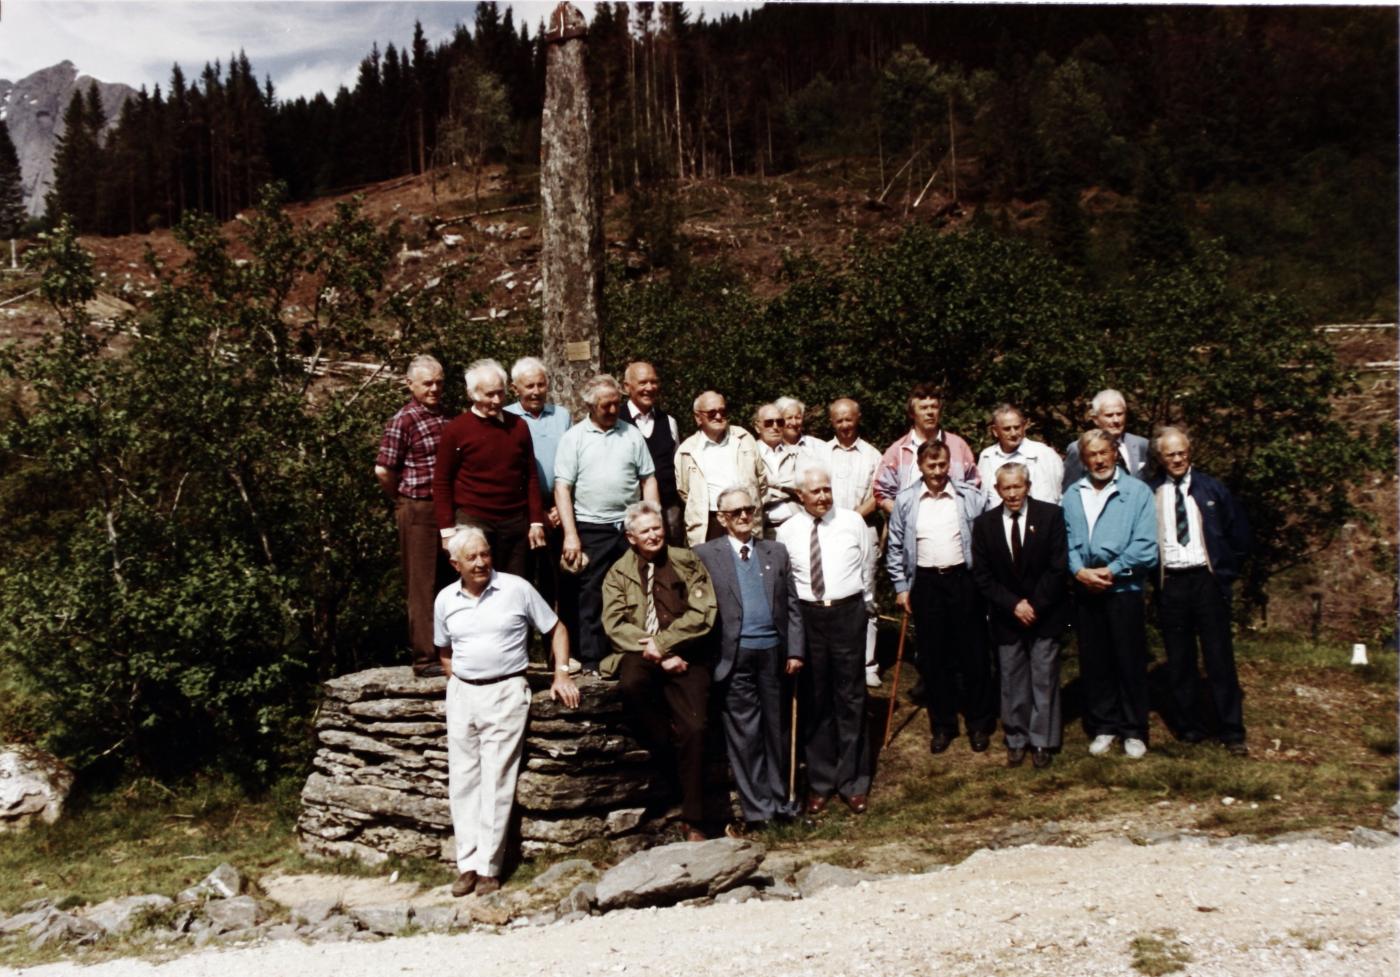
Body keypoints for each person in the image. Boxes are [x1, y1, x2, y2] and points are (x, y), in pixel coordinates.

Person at [433, 527, 579, 898]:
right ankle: (466, 864)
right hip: (463, 693)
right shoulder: (445, 599)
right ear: (456, 565)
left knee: (497, 778)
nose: (481, 562)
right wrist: (460, 684)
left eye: (485, 554)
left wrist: (561, 673)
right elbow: (444, 651)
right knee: (463, 780)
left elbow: (556, 629)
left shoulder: (516, 589)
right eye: (472, 558)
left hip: (506, 690)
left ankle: (489, 868)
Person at [601, 501, 718, 840]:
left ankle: (694, 820)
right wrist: (655, 650)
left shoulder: (686, 560)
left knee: (695, 727)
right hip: (640, 651)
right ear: (630, 537)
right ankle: (665, 746)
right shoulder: (617, 573)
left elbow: (704, 612)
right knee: (632, 683)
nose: (653, 535)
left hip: (685, 652)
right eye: (645, 531)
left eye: (657, 528)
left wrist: (666, 644)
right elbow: (615, 625)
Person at [695, 486, 805, 832]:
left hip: (773, 653)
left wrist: (795, 649)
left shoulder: (776, 551)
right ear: (722, 518)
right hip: (733, 655)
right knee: (745, 735)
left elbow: (792, 605)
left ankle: (782, 801)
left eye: (749, 509)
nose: (745, 516)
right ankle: (759, 812)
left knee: (776, 729)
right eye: (737, 512)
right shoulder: (705, 554)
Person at [777, 462, 874, 815]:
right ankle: (821, 781)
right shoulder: (787, 531)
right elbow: (786, 581)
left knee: (851, 696)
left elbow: (867, 567)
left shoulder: (852, 522)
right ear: (800, 495)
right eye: (815, 491)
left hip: (848, 612)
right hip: (808, 616)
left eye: (826, 489)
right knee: (815, 699)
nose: (822, 496)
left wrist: (866, 606)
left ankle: (853, 781)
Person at [886, 440, 994, 754]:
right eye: (931, 466)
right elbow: (894, 547)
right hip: (926, 583)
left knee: (974, 656)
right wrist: (901, 587)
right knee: (934, 659)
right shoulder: (907, 500)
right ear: (920, 467)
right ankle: (943, 725)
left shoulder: (968, 497)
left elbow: (986, 540)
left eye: (942, 465)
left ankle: (978, 723)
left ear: (950, 464)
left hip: (964, 579)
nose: (937, 472)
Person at [1149, 427, 1252, 755]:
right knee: (1180, 659)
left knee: (1219, 657)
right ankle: (1190, 727)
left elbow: (1239, 536)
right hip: (1172, 583)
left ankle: (1232, 730)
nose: (1177, 459)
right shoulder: (1152, 492)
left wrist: (1223, 572)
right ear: (1160, 457)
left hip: (1207, 581)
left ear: (1189, 452)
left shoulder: (1212, 488)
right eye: (1170, 454)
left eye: (1181, 452)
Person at [1062, 429, 1159, 758]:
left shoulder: (1137, 492)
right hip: (1086, 585)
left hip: (1124, 584)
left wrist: (1112, 571)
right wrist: (1079, 571)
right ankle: (1104, 725)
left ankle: (1134, 730)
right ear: (1084, 459)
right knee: (1095, 661)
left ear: (1115, 453)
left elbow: (1146, 547)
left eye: (1105, 452)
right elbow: (1068, 542)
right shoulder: (1073, 494)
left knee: (1129, 660)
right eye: (1092, 455)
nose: (1099, 459)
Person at [555, 374, 660, 672]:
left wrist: (652, 520)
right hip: (592, 527)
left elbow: (648, 478)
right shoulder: (574, 438)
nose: (613, 410)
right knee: (591, 594)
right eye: (606, 406)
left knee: (635, 591)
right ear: (590, 405)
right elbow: (563, 487)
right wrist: (570, 535)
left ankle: (633, 656)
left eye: (616, 404)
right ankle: (591, 660)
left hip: (629, 527)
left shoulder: (631, 434)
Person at [970, 462, 1070, 769]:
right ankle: (1015, 738)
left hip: (1044, 612)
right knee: (1011, 679)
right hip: (1006, 614)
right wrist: (1013, 605)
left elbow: (1057, 567)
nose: (1012, 493)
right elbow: (983, 576)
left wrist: (1035, 605)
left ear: (1028, 487)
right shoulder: (985, 524)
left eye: (1018, 486)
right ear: (997, 490)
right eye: (1006, 487)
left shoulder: (1050, 516)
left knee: (1043, 677)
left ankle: (1042, 741)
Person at [374, 354, 455, 677]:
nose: (434, 389)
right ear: (410, 385)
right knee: (422, 585)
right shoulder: (403, 420)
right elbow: (383, 469)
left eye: (438, 382)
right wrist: (402, 497)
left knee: (452, 580)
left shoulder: (448, 417)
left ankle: (451, 651)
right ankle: (425, 659)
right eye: (427, 383)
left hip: (448, 509)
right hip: (418, 507)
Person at [433, 359, 545, 578]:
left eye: (500, 394)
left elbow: (530, 476)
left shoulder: (518, 426)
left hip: (514, 522)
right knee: (476, 584)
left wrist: (536, 522)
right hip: (474, 520)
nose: (496, 401)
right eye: (489, 395)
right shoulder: (456, 430)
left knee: (515, 585)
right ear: (472, 394)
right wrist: (447, 532)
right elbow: (442, 482)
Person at [503, 357, 573, 614]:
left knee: (558, 581)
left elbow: (570, 461)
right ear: (515, 389)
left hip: (559, 507)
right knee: (522, 581)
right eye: (529, 386)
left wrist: (558, 507)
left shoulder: (562, 415)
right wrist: (537, 513)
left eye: (541, 385)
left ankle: (560, 650)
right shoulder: (507, 416)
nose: (535, 391)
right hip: (524, 511)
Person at [826, 397, 883, 688]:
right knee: (833, 597)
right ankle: (838, 660)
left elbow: (880, 493)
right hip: (828, 533)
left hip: (863, 531)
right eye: (839, 420)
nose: (845, 425)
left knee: (866, 598)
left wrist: (852, 519)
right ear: (832, 422)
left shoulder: (873, 455)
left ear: (857, 418)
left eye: (849, 419)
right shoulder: (821, 453)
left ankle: (868, 663)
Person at [675, 391, 766, 546]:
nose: (718, 416)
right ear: (698, 417)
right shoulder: (687, 450)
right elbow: (685, 492)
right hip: (710, 523)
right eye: (712, 413)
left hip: (745, 516)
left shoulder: (744, 439)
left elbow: (761, 481)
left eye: (722, 411)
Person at [874, 383, 980, 514]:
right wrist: (902, 516)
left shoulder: (958, 447)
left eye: (934, 407)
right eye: (923, 408)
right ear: (912, 414)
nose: (930, 412)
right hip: (912, 530)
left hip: (954, 527)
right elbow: (881, 492)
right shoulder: (897, 451)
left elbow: (974, 486)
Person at [623, 361, 684, 545]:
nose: (649, 388)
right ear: (627, 387)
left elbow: (676, 463)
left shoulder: (668, 421)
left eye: (654, 382)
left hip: (667, 510)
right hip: (629, 512)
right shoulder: (617, 421)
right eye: (643, 383)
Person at [976, 403, 1065, 506]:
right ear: (995, 431)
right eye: (1007, 429)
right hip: (997, 520)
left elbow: (1056, 494)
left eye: (1017, 427)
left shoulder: (1044, 454)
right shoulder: (987, 456)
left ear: (1024, 426)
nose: (1013, 433)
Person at [1062, 388, 1152, 488]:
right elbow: (1070, 488)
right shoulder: (1079, 448)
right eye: (1109, 415)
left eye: (1120, 414)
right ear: (1096, 419)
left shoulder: (1142, 444)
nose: (1116, 420)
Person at [754, 402, 801, 538]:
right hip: (763, 528)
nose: (775, 427)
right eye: (769, 423)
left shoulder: (797, 453)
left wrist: (770, 486)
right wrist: (786, 490)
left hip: (794, 525)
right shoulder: (749, 454)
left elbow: (801, 488)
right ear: (758, 427)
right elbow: (752, 492)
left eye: (779, 422)